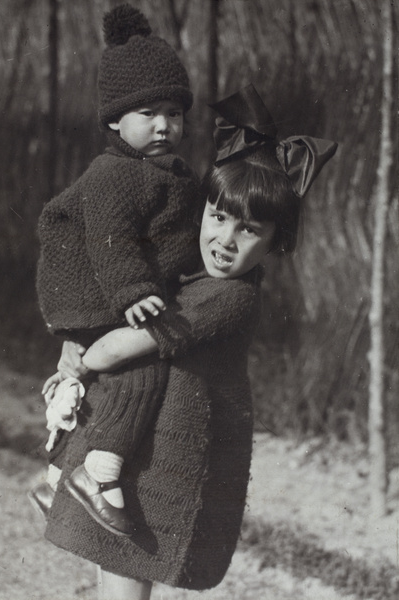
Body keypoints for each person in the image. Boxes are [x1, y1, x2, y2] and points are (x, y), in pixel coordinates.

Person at [43, 84, 337, 600]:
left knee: (126, 572)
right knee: (114, 565)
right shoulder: (199, 281)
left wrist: (78, 363)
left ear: (276, 240)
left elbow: (118, 350)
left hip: (169, 461)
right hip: (150, 448)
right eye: (218, 217)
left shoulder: (229, 297)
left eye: (248, 230)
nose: (224, 239)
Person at [29, 4, 201, 535]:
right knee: (141, 369)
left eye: (174, 113)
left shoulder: (170, 174)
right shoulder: (114, 174)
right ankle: (98, 474)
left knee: (124, 378)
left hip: (126, 289)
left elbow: (180, 237)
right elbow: (112, 239)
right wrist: (132, 289)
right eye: (148, 113)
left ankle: (55, 482)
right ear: (113, 120)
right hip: (92, 288)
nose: (163, 125)